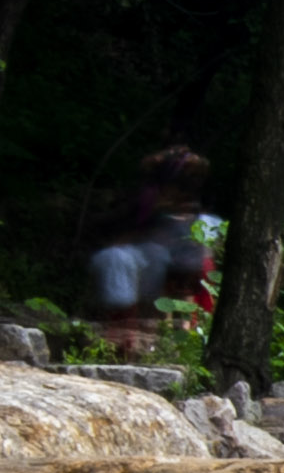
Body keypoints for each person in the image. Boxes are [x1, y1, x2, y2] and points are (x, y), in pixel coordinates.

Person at [80, 144, 215, 360]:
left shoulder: (203, 220)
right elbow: (127, 235)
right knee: (127, 259)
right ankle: (126, 332)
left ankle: (176, 338)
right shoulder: (147, 205)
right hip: (158, 272)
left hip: (182, 271)